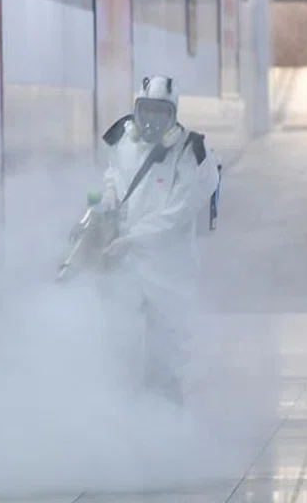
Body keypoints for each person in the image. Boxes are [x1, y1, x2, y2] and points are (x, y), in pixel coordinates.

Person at [97, 75, 220, 404]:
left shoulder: (192, 153)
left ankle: (167, 420)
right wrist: (109, 197)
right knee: (123, 346)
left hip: (169, 270)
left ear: (174, 115)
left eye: (161, 113)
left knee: (168, 354)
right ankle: (128, 416)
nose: (151, 120)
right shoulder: (124, 141)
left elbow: (176, 214)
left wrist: (131, 240)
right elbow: (114, 175)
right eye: (146, 111)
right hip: (127, 263)